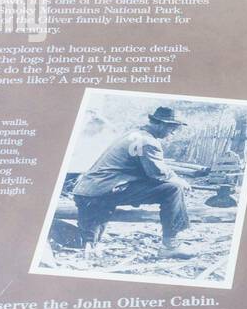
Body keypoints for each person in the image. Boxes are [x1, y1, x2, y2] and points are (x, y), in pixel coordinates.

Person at [70, 106, 201, 259]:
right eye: (172, 128)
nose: (173, 133)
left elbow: (152, 168)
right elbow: (157, 173)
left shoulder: (133, 134)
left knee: (88, 242)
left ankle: (88, 242)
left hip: (89, 191)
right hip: (102, 192)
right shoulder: (148, 142)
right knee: (173, 189)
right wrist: (178, 180)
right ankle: (170, 245)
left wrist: (172, 176)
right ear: (161, 124)